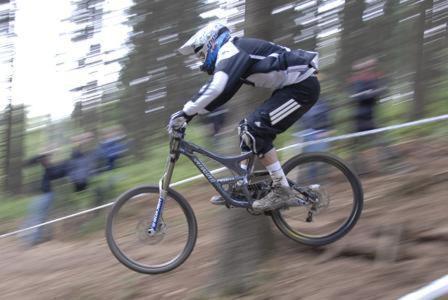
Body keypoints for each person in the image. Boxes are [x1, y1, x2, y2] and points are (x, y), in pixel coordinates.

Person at [168, 22, 320, 211]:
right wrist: (189, 116)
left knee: (254, 128)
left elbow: (216, 87)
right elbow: (221, 95)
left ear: (212, 43)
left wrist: (185, 112)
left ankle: (282, 189)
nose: (201, 60)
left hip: (303, 88)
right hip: (291, 88)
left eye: (201, 54)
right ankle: (244, 185)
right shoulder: (235, 54)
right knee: (245, 128)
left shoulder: (232, 50)